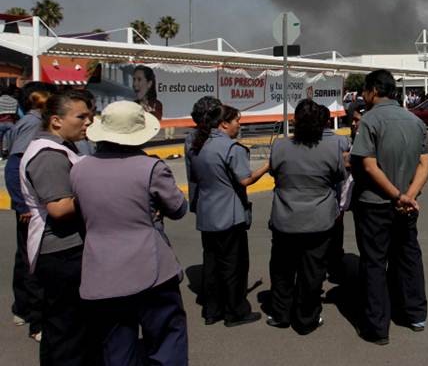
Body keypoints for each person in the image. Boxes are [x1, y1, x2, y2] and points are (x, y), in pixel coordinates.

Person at [70, 100, 189, 365]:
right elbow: (178, 208)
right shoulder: (151, 168)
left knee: (116, 346)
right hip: (152, 269)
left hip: (101, 271)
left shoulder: (79, 169)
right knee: (167, 339)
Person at [350, 70, 428, 345]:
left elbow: (368, 165)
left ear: (374, 90)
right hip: (407, 206)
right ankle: (416, 315)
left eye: (364, 90)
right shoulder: (414, 120)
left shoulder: (369, 120)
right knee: (408, 257)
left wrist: (397, 195)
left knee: (374, 263)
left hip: (375, 206)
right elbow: (425, 162)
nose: (363, 95)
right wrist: (409, 195)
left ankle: (377, 327)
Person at [19, 90, 93, 365]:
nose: (87, 122)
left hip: (66, 250)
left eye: (89, 116)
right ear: (56, 121)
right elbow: (59, 208)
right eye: (80, 116)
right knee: (67, 331)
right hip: (62, 252)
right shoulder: (48, 155)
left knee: (63, 329)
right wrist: (99, 191)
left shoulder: (59, 147)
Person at [266, 99, 346, 334]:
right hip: (318, 220)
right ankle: (306, 318)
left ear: (296, 121)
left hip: (285, 218)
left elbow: (274, 171)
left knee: (282, 269)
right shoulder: (332, 148)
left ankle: (280, 314)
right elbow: (339, 175)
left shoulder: (280, 147)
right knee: (312, 272)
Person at [191, 104, 268, 327]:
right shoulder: (231, 148)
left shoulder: (199, 145)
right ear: (224, 123)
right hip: (229, 215)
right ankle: (236, 312)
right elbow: (245, 180)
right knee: (234, 266)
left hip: (208, 214)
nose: (239, 124)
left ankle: (212, 311)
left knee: (212, 264)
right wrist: (266, 167)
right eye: (237, 120)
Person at [5, 82, 54, 342]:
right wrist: (22, 204)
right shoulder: (35, 123)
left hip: (27, 204)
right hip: (31, 206)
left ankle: (22, 308)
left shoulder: (28, 122)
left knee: (24, 255)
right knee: (32, 259)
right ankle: (35, 319)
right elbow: (13, 166)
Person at [320, 105, 353, 281]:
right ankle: (335, 262)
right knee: (336, 229)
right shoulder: (340, 141)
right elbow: (347, 165)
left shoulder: (303, 142)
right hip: (335, 193)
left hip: (315, 198)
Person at [0, 86, 19, 157]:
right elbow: (16, 113)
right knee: (10, 139)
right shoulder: (14, 100)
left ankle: (1, 155)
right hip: (10, 122)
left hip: (0, 122)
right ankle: (9, 154)